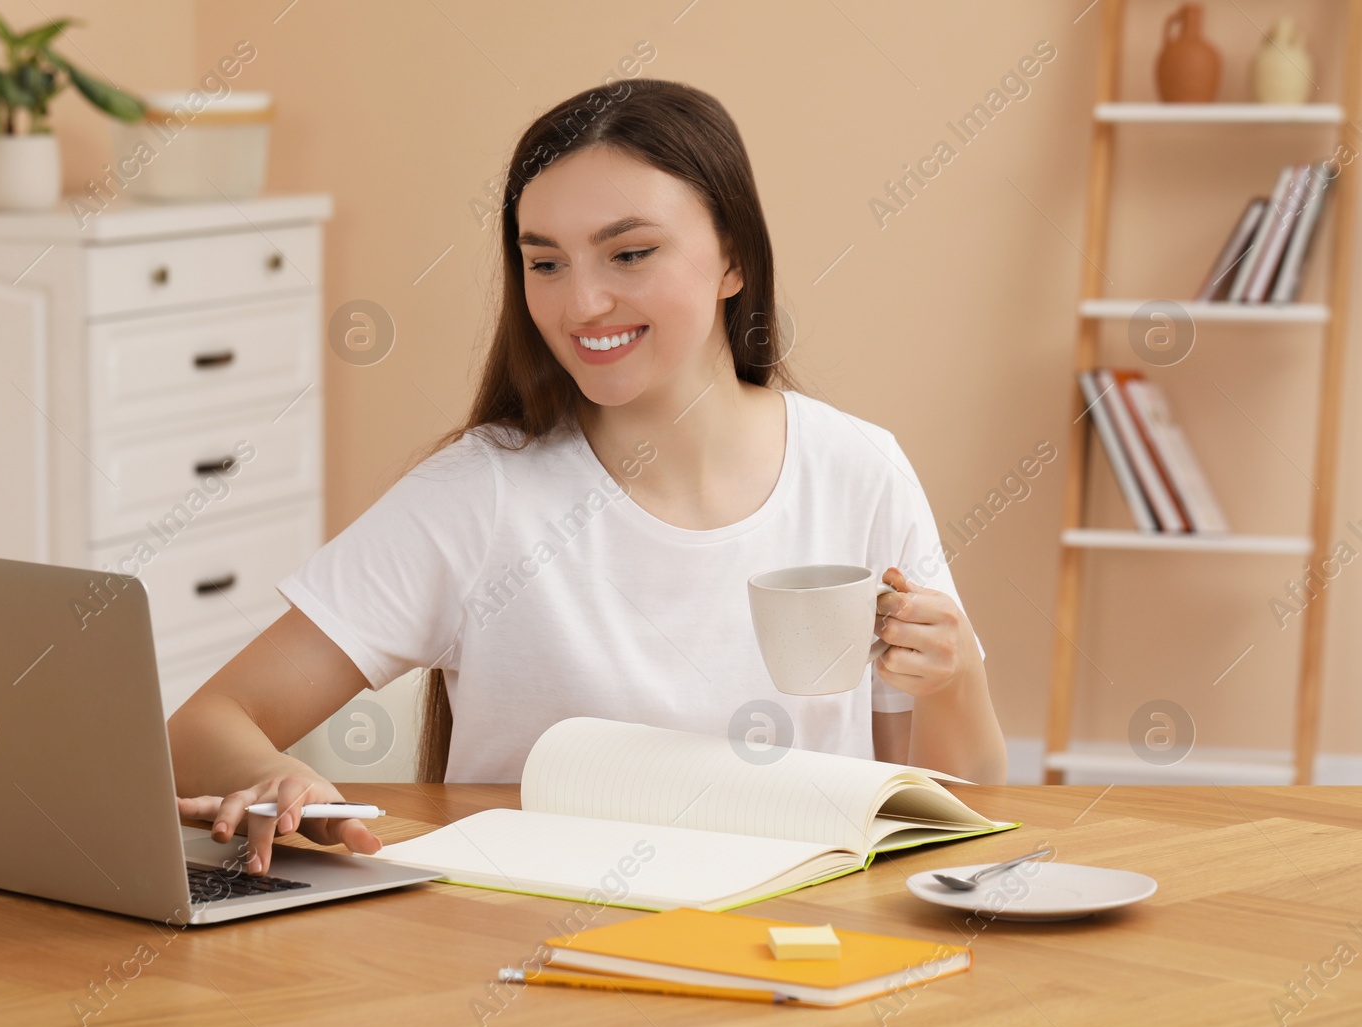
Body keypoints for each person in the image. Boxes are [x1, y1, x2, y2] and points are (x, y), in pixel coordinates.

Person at [169, 79, 1008, 877]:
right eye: (547, 264)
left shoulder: (859, 471)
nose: (582, 305)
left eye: (629, 253)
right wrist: (276, 778)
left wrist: (956, 669)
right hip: (531, 952)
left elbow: (955, 802)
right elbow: (199, 725)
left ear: (733, 260)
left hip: (789, 950)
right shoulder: (479, 495)